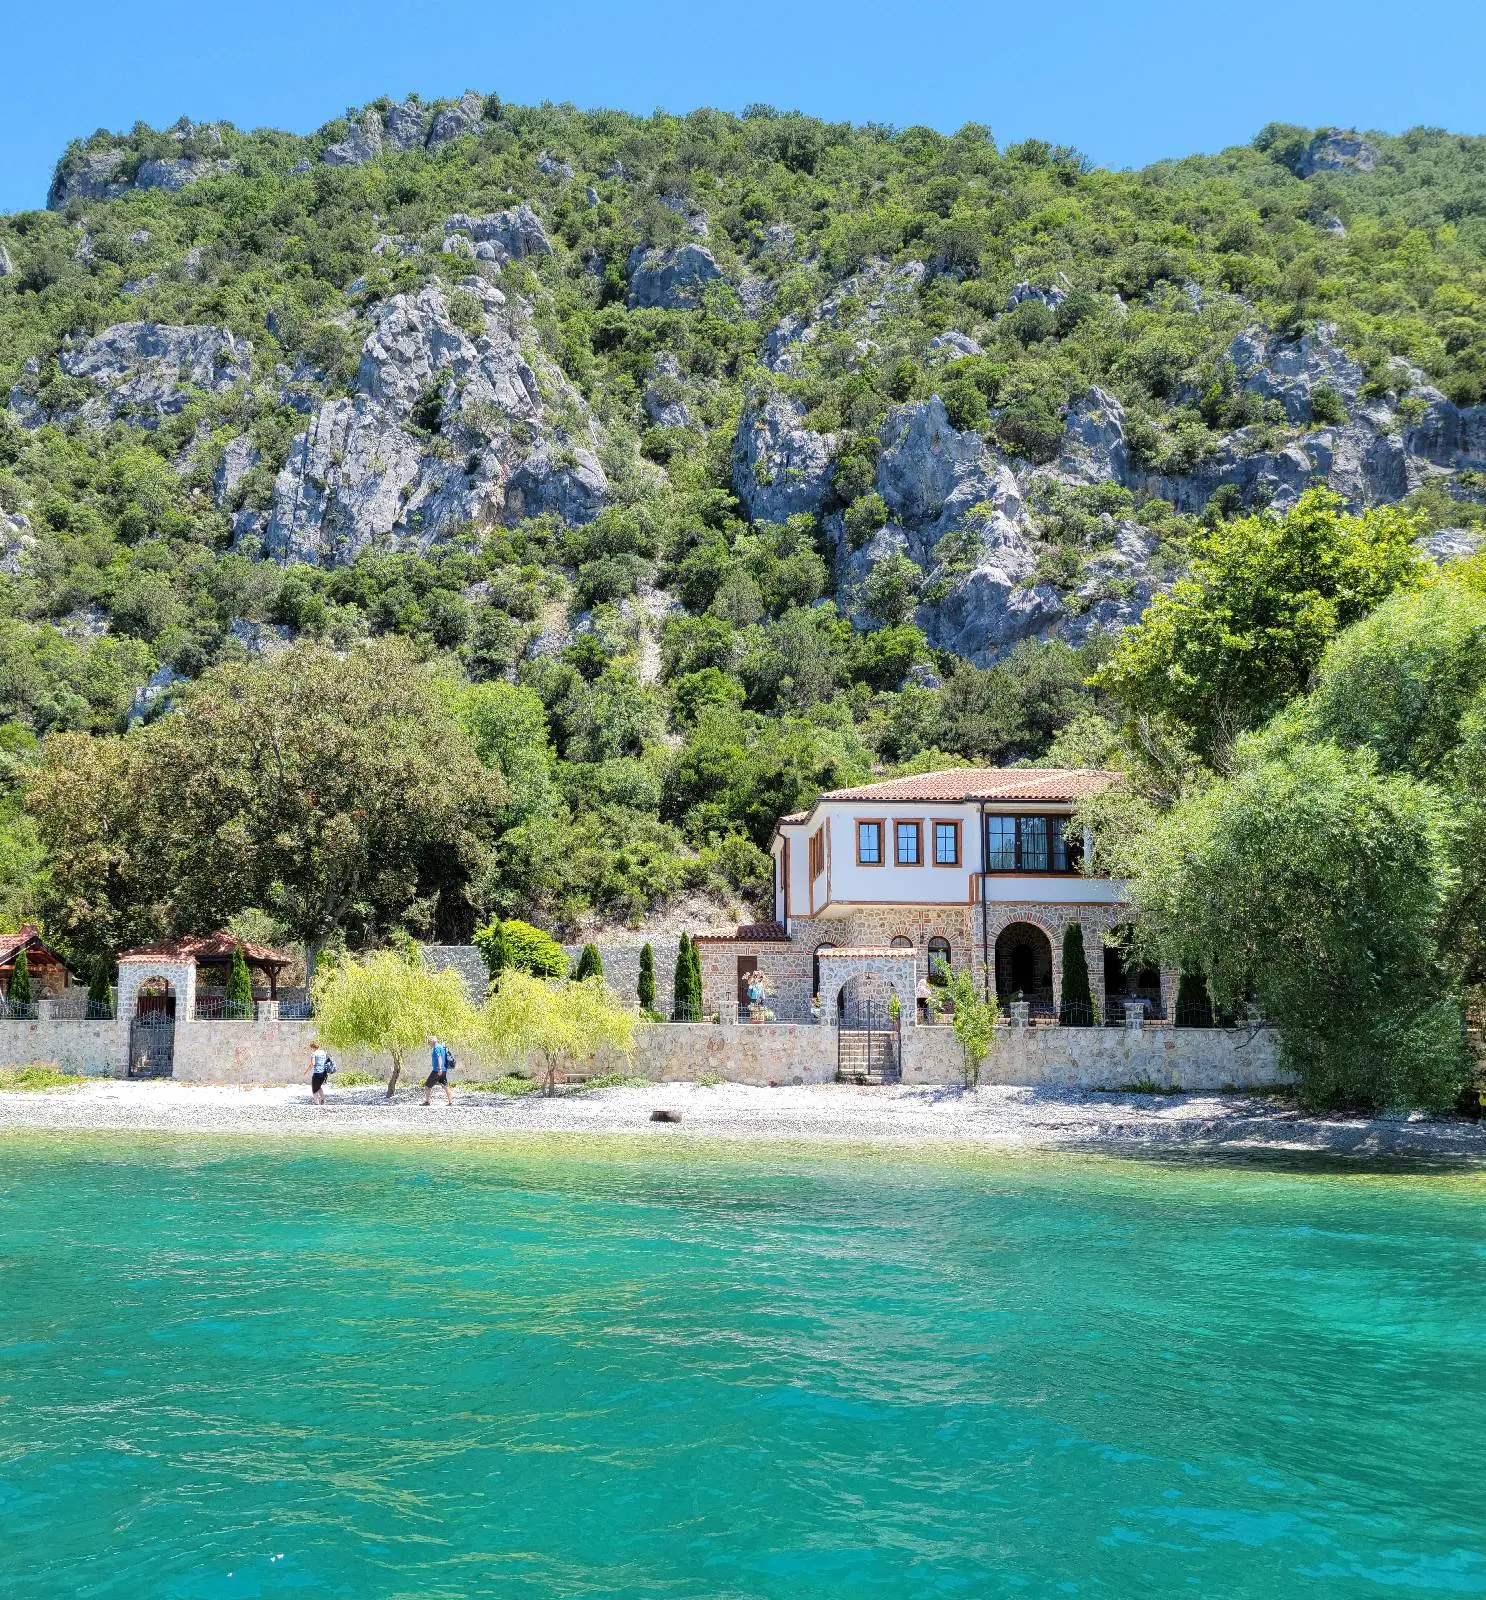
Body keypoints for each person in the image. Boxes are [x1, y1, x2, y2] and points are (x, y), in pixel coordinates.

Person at [423, 1034, 453, 1106]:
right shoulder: (441, 1047)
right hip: (444, 1070)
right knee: (445, 1086)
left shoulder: (436, 1048)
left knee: (427, 1086)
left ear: (432, 1041)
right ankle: (450, 1102)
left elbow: (439, 1057)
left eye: (428, 1042)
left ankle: (427, 1102)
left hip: (437, 1070)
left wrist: (439, 1069)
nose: (428, 1044)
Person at [305, 1038, 330, 1105]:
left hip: (317, 1073)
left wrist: (306, 1071)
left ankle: (317, 1103)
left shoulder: (314, 1053)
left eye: (311, 1047)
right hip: (324, 1073)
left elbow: (313, 1063)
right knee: (318, 1086)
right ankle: (322, 1099)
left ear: (313, 1047)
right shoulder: (324, 1052)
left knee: (314, 1088)